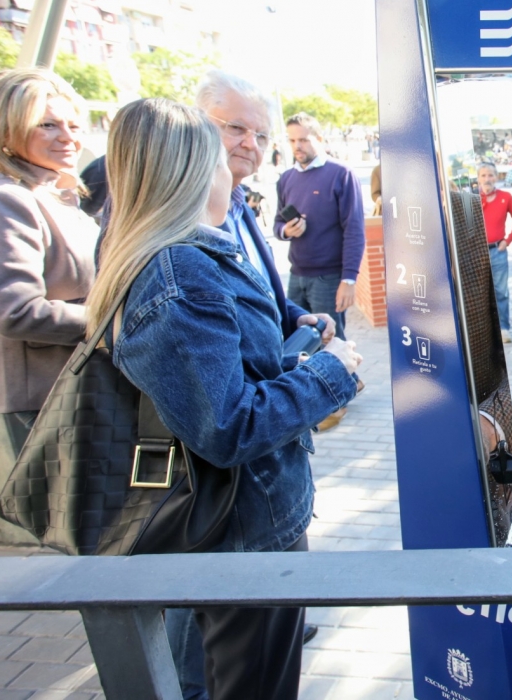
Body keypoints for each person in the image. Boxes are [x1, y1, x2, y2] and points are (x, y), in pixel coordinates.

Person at [92, 98, 361, 700]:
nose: (238, 169)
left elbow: (227, 373)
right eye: (223, 153)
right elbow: (229, 425)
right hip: (243, 526)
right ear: (190, 173)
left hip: (238, 519)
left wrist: (291, 341)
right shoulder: (179, 273)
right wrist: (329, 372)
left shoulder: (176, 256)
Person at [0, 69, 99, 523]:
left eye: (73, 124)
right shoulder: (5, 201)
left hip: (73, 395)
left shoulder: (51, 194)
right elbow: (15, 311)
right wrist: (112, 321)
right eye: (48, 125)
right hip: (41, 406)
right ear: (7, 128)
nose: (67, 136)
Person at [275, 112, 365, 342]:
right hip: (296, 275)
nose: (298, 146)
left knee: (332, 343)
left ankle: (350, 379)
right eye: (292, 140)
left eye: (303, 139)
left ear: (319, 138)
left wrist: (349, 279)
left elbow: (354, 230)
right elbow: (277, 223)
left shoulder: (341, 174)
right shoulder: (286, 178)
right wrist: (287, 231)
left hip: (328, 278)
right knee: (297, 342)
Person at [478, 161, 512, 342]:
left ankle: (504, 328)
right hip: (478, 253)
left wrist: (507, 241)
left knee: (501, 292)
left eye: (490, 175)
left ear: (496, 177)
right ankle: (485, 330)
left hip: (498, 251)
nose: (487, 179)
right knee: (480, 292)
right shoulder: (473, 198)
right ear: (478, 178)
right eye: (483, 175)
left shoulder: (506, 197)